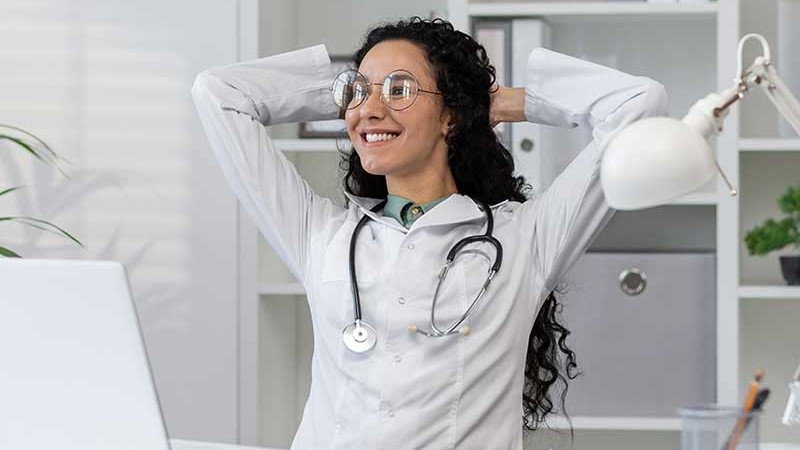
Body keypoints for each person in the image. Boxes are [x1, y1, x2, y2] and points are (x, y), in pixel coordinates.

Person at [192, 17, 668, 450]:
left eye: (401, 89)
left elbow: (640, 104)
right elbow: (218, 93)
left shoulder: (525, 240)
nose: (370, 109)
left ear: (450, 117)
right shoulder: (323, 235)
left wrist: (500, 102)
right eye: (357, 91)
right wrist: (350, 96)